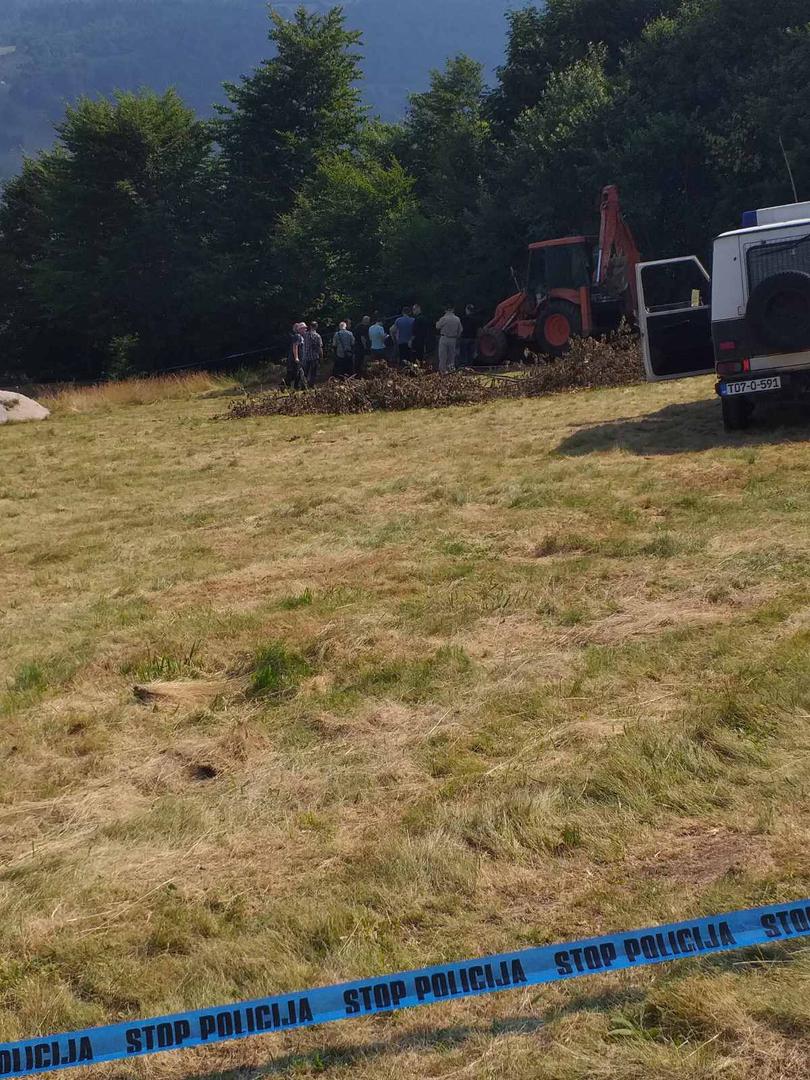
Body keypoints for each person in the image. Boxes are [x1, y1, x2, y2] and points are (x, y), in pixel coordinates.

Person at [435, 305, 463, 374]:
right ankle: (451, 371)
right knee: (451, 357)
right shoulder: (457, 319)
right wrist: (457, 336)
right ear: (453, 310)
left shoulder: (444, 318)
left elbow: (437, 326)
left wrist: (437, 322)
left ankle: (442, 372)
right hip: (453, 339)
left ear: (446, 310)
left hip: (444, 338)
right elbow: (460, 330)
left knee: (443, 357)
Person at [286, 322, 308, 390]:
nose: (305, 330)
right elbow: (295, 346)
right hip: (295, 359)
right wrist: (296, 357)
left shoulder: (301, 337)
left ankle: (298, 387)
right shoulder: (297, 336)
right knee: (295, 373)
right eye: (304, 328)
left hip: (299, 359)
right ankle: (284, 385)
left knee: (298, 373)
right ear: (300, 329)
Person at [302, 320, 323, 385]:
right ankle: (311, 385)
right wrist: (321, 356)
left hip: (306, 356)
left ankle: (303, 385)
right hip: (314, 357)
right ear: (316, 327)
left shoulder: (305, 335)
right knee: (313, 373)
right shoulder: (317, 336)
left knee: (305, 372)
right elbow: (320, 347)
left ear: (310, 326)